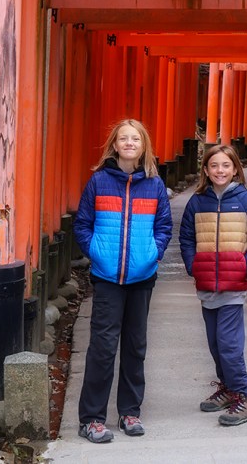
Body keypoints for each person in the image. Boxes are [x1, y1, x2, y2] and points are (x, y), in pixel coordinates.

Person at [73, 118, 173, 444]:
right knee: (102, 348)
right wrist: (96, 253)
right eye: (123, 139)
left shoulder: (154, 184)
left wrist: (152, 254)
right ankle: (91, 418)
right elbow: (82, 224)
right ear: (114, 145)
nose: (129, 143)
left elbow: (164, 226)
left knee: (135, 346)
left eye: (136, 139)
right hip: (107, 278)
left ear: (144, 146)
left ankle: (130, 411)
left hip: (142, 277)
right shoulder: (99, 181)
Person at [179, 143, 247, 427]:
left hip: (233, 285)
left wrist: (245, 266)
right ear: (205, 169)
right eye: (214, 165)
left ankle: (246, 397)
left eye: (226, 166)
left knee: (229, 345)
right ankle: (229, 389)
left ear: (235, 169)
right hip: (207, 284)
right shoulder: (197, 201)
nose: (220, 170)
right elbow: (185, 238)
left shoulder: (246, 201)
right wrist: (194, 266)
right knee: (216, 345)